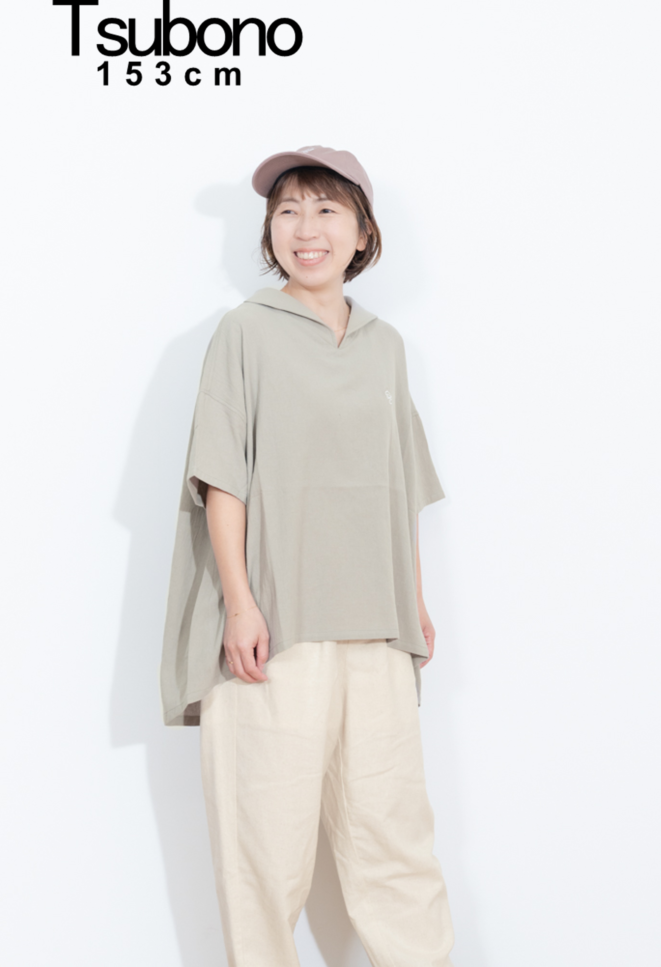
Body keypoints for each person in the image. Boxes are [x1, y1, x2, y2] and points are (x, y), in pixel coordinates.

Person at [159, 145, 455, 966]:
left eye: (327, 209)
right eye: (287, 210)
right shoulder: (245, 333)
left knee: (396, 842)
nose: (305, 228)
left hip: (376, 629)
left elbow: (400, 486)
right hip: (277, 628)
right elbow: (222, 477)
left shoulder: (386, 347)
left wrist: (414, 602)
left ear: (363, 232)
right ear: (269, 232)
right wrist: (240, 603)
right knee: (263, 848)